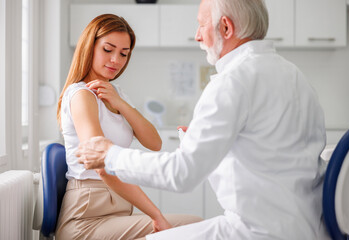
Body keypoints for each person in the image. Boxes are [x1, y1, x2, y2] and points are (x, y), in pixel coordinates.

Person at [77, 0, 331, 239]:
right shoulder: (295, 75)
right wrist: (205, 141)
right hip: (308, 228)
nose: (197, 35)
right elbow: (267, 156)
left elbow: (182, 173)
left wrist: (110, 155)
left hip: (256, 230)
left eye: (201, 24)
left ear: (226, 27)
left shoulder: (233, 81)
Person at [55, 14, 202, 240]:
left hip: (115, 212)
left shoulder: (116, 94)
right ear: (89, 47)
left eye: (124, 54)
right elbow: (101, 164)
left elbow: (154, 143)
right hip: (86, 219)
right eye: (108, 49)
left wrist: (120, 104)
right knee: (195, 228)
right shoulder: (81, 95)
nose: (116, 60)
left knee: (194, 229)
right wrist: (156, 215)